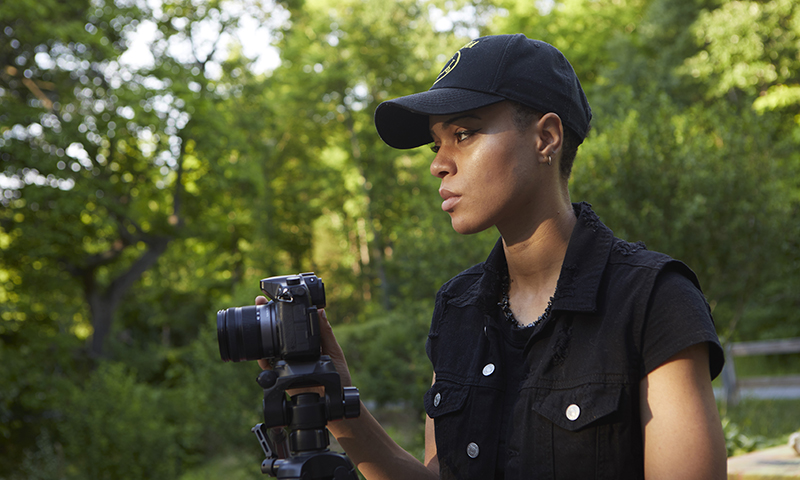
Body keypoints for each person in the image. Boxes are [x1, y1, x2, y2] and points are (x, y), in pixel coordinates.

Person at [261, 33, 727, 479]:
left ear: (546, 138)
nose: (438, 162)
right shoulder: (458, 307)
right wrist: (337, 402)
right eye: (436, 142)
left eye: (464, 133)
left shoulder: (654, 301)